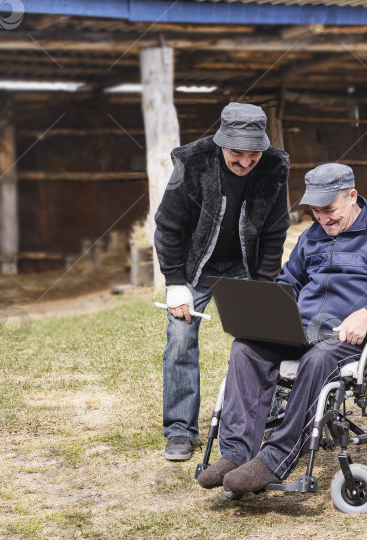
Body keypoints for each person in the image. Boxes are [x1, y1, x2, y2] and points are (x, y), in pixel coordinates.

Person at [196, 163, 367, 495]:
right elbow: (290, 282)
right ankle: (235, 456)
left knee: (319, 359)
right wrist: (266, 305)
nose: (322, 218)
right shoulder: (312, 236)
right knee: (245, 348)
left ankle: (273, 460)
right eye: (316, 211)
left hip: (353, 337)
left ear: (352, 196)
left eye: (329, 209)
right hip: (302, 329)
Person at [154, 102, 290, 461]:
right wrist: (174, 283)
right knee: (181, 339)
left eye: (253, 155)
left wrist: (264, 283)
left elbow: (276, 231)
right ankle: (180, 430)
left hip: (245, 264)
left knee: (263, 338)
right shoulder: (193, 162)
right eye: (237, 154)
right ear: (221, 143)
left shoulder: (275, 167)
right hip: (194, 267)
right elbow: (167, 226)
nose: (246, 163)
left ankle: (264, 419)